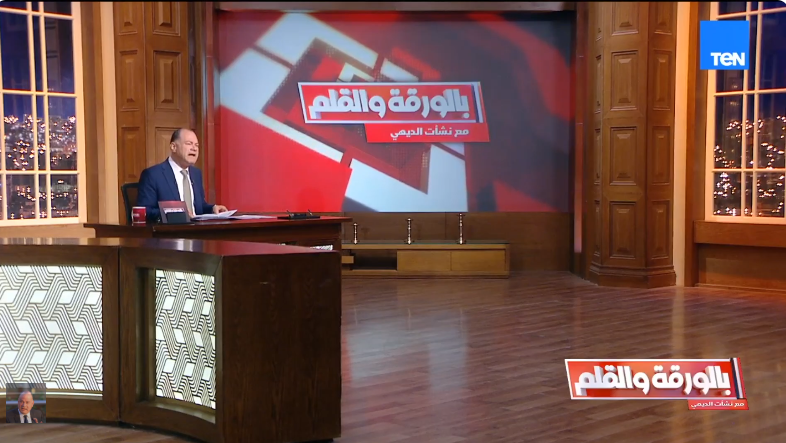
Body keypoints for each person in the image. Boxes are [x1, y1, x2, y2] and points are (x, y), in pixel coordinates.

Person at [136, 128, 228, 222]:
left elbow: (198, 208)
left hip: (197, 229)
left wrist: (212, 208)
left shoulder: (196, 174)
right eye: (189, 143)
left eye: (197, 145)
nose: (194, 148)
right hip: (171, 230)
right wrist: (177, 213)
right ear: (173, 147)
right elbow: (145, 211)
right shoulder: (153, 175)